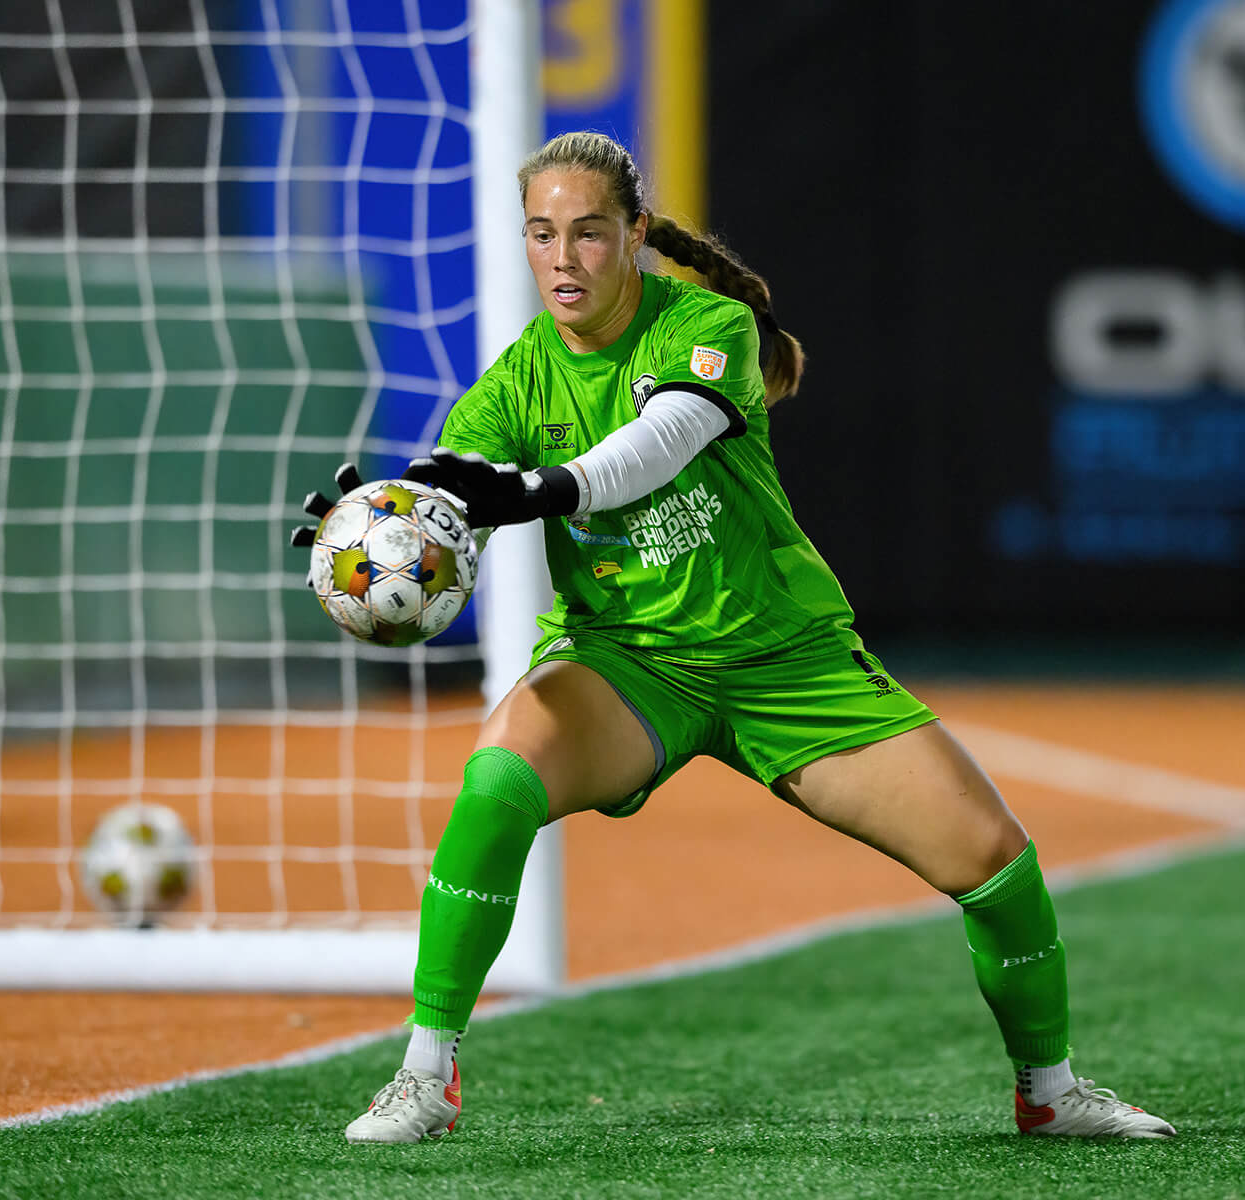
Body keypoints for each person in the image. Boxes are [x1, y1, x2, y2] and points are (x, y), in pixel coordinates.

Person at [296, 131, 1175, 1143]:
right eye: (543, 235)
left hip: (781, 660)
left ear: (632, 236)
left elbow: (655, 445)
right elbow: (460, 465)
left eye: (588, 232)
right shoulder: (516, 381)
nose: (564, 258)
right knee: (496, 780)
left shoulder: (706, 325)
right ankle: (424, 1075)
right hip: (629, 664)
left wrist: (533, 489)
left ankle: (1050, 1090)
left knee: (994, 861)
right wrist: (395, 505)